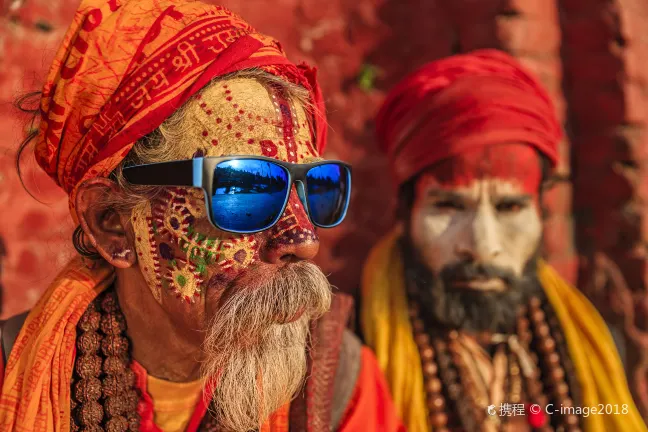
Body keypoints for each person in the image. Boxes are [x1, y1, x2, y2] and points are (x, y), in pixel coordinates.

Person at [0, 1, 404, 431]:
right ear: (111, 223)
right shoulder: (12, 373)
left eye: (313, 187)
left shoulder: (337, 382)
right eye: (245, 187)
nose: (304, 238)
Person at [360, 49, 646, 432]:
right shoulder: (350, 358)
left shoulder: (597, 345)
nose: (482, 245)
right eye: (448, 206)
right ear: (405, 214)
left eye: (509, 207)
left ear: (541, 213)